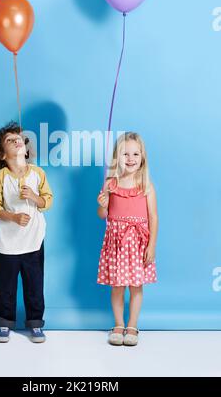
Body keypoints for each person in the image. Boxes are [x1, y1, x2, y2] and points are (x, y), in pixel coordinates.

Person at [0, 121, 53, 343]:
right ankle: (5, 323)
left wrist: (34, 196)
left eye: (18, 138)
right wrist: (12, 217)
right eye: (9, 140)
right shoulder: (1, 177)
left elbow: (47, 201)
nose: (16, 140)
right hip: (8, 243)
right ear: (2, 155)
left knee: (35, 285)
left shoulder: (37, 173)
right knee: (6, 286)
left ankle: (35, 323)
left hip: (33, 241)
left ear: (24, 146)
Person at [97, 132, 158, 346]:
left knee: (136, 286)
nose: (130, 158)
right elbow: (103, 215)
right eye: (125, 154)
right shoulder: (111, 183)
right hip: (116, 243)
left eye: (135, 153)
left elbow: (153, 217)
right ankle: (118, 324)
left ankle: (132, 325)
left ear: (142, 157)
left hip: (137, 243)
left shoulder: (146, 185)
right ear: (117, 157)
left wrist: (151, 245)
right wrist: (103, 203)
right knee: (117, 286)